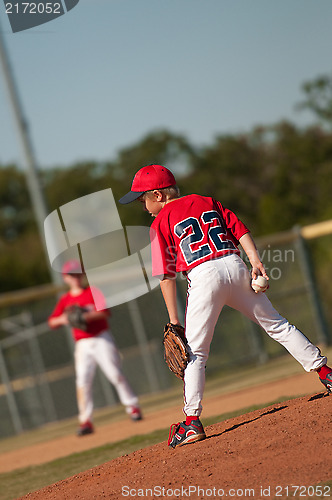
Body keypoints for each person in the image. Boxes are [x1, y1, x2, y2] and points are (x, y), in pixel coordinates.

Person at [119, 164, 332, 448]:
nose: (143, 206)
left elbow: (166, 277)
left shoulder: (159, 223)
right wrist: (255, 261)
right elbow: (239, 230)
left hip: (203, 275)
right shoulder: (206, 201)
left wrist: (174, 322)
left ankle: (192, 422)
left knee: (195, 353)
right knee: (277, 324)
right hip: (235, 264)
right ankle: (326, 374)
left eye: (143, 199)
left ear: (158, 195)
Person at [48, 260, 142, 436]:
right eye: (71, 275)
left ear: (83, 275)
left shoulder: (92, 292)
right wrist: (66, 319)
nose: (75, 277)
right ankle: (86, 421)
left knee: (115, 374)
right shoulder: (66, 300)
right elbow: (52, 321)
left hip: (101, 338)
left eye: (78, 274)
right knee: (83, 381)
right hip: (82, 344)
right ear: (65, 278)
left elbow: (105, 312)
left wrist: (85, 316)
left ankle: (133, 407)